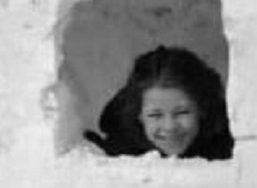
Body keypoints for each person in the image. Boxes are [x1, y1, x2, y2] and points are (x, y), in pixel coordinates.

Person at [83, 46, 233, 160]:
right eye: (155, 115)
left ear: (202, 108)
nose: (170, 126)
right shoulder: (122, 149)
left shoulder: (226, 142)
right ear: (139, 115)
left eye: (182, 112)